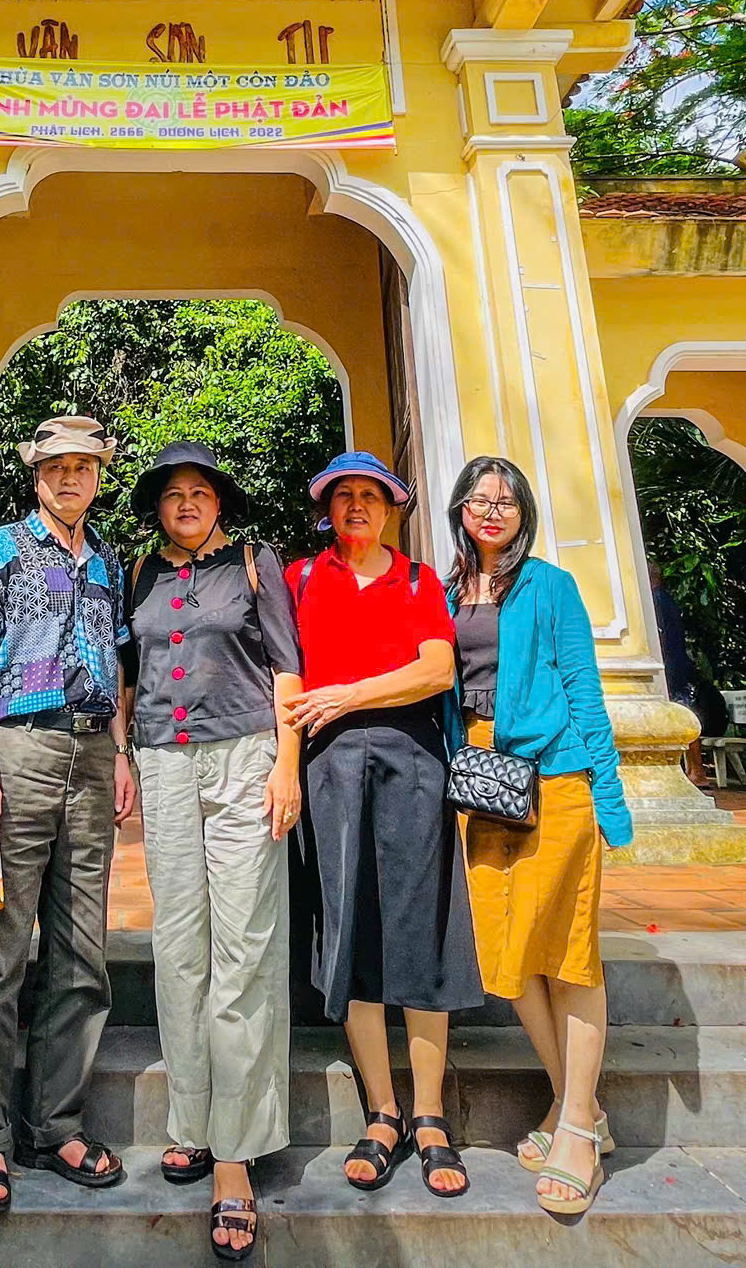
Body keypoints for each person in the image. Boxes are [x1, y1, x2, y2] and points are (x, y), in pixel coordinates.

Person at [280, 448, 482, 1199]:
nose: (356, 507)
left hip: (413, 767)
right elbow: (287, 677)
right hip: (330, 773)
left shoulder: (419, 579)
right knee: (354, 928)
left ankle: (431, 1115)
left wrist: (349, 696)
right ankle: (384, 1110)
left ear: (391, 509)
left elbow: (437, 669)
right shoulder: (301, 578)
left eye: (370, 496)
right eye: (343, 497)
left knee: (418, 925)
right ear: (328, 510)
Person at [119, 441, 302, 1262]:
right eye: (172, 494)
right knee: (178, 949)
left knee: (242, 947)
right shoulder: (140, 576)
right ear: (157, 507)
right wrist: (126, 755)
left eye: (200, 492)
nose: (186, 503)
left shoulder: (256, 563)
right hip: (162, 760)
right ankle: (191, 1120)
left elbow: (286, 671)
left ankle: (235, 1151)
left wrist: (288, 766)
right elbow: (131, 674)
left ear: (219, 503)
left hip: (244, 758)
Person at [0, 412, 132, 1214]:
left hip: (91, 755)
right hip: (16, 749)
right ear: (36, 475)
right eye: (56, 466)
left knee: (81, 952)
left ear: (98, 476)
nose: (69, 478)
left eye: (83, 467)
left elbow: (118, 663)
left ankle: (55, 1125)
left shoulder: (110, 564)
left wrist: (120, 754)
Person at [448, 456, 633, 1217]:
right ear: (461, 510)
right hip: (482, 783)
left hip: (555, 777)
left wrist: (608, 797)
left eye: (508, 501)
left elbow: (585, 691)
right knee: (508, 948)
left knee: (568, 952)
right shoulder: (450, 589)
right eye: (480, 499)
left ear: (523, 513)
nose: (493, 511)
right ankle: (577, 1107)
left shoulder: (549, 586)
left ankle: (578, 1129)